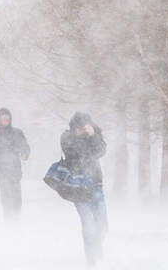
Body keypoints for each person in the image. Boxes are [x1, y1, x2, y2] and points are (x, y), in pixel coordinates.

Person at [61, 112, 108, 266]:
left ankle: (97, 249)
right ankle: (91, 260)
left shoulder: (95, 134)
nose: (82, 130)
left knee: (102, 223)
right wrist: (82, 137)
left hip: (96, 184)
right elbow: (76, 154)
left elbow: (100, 151)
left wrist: (93, 135)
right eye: (79, 127)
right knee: (88, 223)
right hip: (78, 186)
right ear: (73, 127)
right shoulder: (66, 137)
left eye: (84, 126)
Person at [0, 108, 30, 221]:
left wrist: (25, 154)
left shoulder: (17, 133)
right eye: (3, 118)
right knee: (6, 194)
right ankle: (8, 218)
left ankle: (16, 216)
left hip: (15, 170)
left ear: (10, 119)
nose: (5, 120)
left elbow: (25, 146)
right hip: (1, 170)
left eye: (7, 118)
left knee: (16, 195)